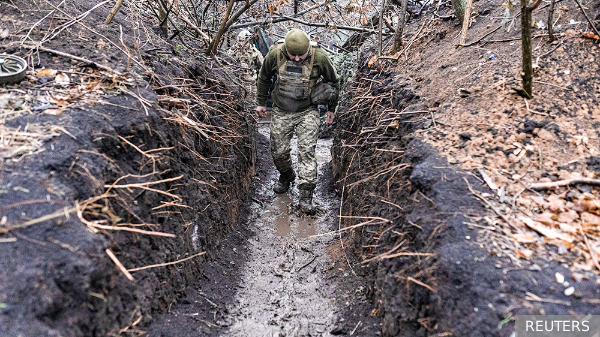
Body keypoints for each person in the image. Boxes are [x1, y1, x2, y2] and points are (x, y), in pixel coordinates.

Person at [255, 29, 339, 215]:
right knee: (278, 151)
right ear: (286, 50)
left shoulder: (320, 57)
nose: (298, 59)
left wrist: (331, 109)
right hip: (281, 110)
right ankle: (286, 175)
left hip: (307, 110)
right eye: (293, 55)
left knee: (306, 150)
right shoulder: (275, 54)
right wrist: (261, 103)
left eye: (302, 55)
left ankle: (306, 195)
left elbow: (334, 82)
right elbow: (264, 77)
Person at [236, 30, 264, 99]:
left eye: (246, 42)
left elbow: (262, 66)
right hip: (238, 84)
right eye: (241, 41)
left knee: (252, 104)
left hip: (252, 84)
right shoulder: (234, 51)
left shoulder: (254, 51)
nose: (244, 43)